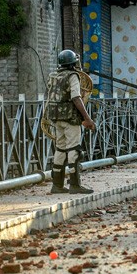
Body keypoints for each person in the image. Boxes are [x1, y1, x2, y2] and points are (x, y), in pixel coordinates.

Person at [45, 50, 96, 194]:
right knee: (74, 149)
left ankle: (57, 185)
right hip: (70, 118)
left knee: (60, 148)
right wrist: (87, 118)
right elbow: (76, 97)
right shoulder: (73, 76)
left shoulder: (53, 75)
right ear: (73, 63)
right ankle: (74, 184)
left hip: (56, 117)